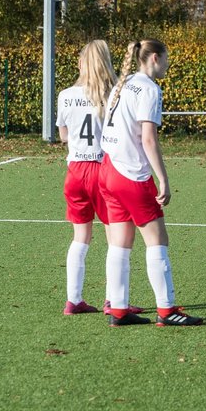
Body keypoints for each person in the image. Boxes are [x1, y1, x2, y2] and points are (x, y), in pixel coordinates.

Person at [98, 39, 201, 326]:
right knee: (157, 241)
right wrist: (163, 179)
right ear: (154, 58)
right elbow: (147, 138)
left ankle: (118, 309)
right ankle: (167, 310)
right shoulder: (149, 89)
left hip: (108, 169)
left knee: (120, 243)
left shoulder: (123, 82)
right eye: (166, 58)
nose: (168, 64)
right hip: (131, 174)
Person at [55, 40, 116, 315]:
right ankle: (113, 300)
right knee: (115, 237)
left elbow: (64, 135)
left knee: (81, 236)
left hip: (76, 171)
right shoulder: (113, 94)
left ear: (81, 63)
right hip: (103, 168)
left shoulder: (65, 95)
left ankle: (73, 299)